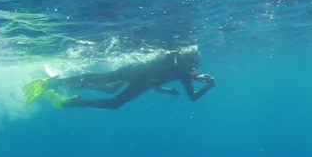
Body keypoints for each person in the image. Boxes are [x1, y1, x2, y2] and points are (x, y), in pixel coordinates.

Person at [22, 48, 215, 110]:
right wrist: (197, 79)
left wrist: (208, 86)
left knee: (114, 103)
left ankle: (77, 102)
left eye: (192, 68)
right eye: (188, 67)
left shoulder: (185, 72)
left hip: (144, 82)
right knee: (103, 79)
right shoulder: (171, 56)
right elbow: (173, 62)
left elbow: (193, 97)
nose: (190, 71)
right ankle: (55, 82)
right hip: (135, 71)